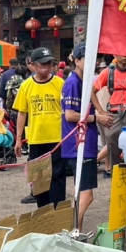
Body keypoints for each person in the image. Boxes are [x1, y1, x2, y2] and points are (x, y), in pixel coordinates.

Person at [13, 47, 66, 208]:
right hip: (36, 139)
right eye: (42, 64)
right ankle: (43, 213)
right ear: (33, 65)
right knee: (39, 179)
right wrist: (18, 139)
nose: (46, 67)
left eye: (48, 63)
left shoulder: (60, 83)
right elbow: (22, 113)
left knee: (57, 177)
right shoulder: (26, 86)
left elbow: (67, 110)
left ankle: (58, 212)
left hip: (57, 139)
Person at [61, 44, 97, 232]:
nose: (93, 63)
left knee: (81, 194)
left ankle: (77, 232)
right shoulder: (73, 82)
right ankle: (72, 231)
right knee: (86, 196)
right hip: (79, 144)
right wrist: (97, 118)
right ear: (76, 61)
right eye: (87, 59)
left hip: (83, 143)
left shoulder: (83, 81)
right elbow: (70, 115)